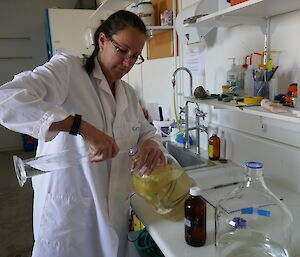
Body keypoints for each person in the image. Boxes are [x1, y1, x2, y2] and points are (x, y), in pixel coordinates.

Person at [0, 10, 166, 257]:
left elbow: (145, 131)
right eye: (121, 50)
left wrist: (151, 143)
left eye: (136, 56)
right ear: (102, 41)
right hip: (70, 217)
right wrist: (80, 127)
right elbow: (7, 99)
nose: (128, 63)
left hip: (114, 215)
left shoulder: (128, 95)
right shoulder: (67, 71)